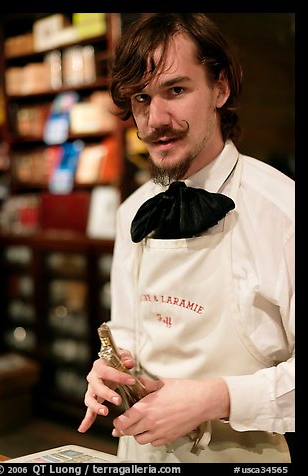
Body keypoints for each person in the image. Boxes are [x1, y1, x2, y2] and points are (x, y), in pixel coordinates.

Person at [78, 13, 295, 463]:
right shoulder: (131, 211)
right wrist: (110, 371)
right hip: (137, 454)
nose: (156, 118)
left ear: (221, 88)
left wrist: (216, 398)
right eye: (141, 97)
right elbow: (125, 334)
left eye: (176, 90)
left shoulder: (282, 209)